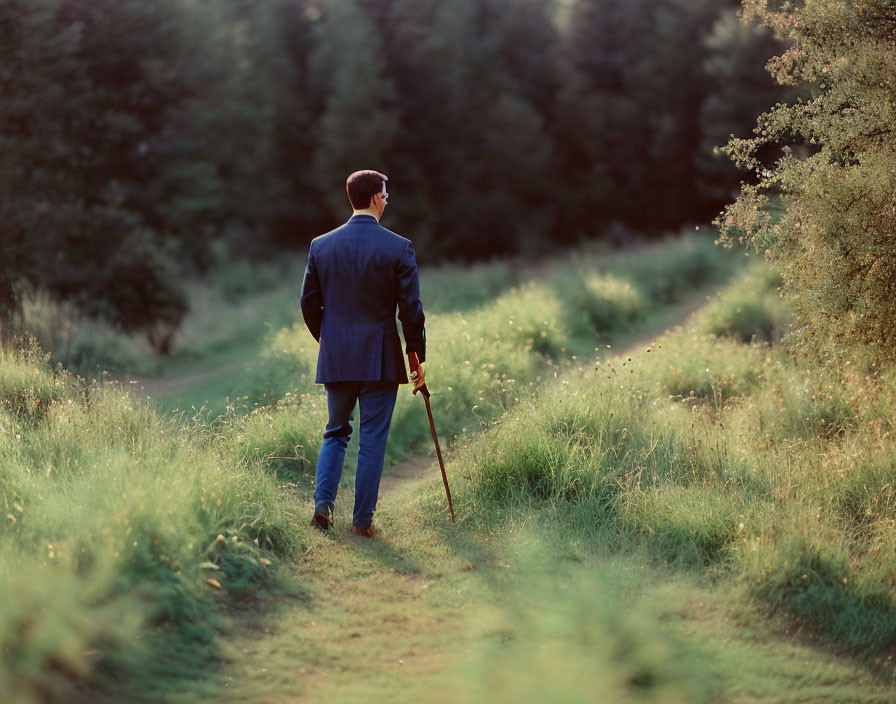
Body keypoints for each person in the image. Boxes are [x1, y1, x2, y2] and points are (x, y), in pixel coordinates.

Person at [300, 170, 426, 538]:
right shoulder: (398, 247)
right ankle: (361, 521)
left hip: (337, 356)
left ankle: (323, 507)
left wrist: (327, 340)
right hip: (381, 358)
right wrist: (415, 353)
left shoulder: (320, 245)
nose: (386, 201)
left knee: (335, 432)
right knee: (372, 438)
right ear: (374, 198)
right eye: (385, 196)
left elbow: (308, 304)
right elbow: (411, 309)